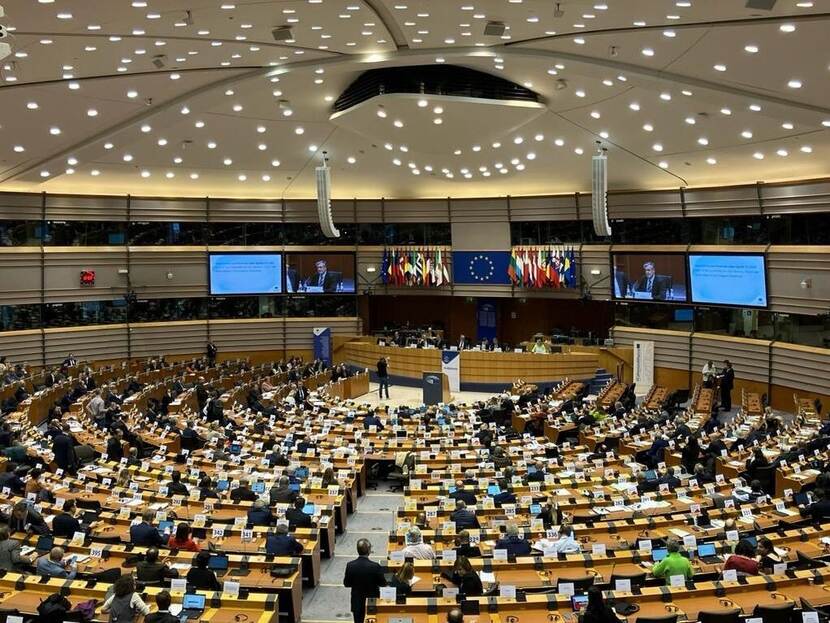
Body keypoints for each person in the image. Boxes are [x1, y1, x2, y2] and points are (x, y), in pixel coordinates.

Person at [343, 538, 386, 623]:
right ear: (369, 550)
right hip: (372, 602)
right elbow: (383, 583)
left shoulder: (350, 565)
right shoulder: (375, 566)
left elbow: (346, 584)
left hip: (357, 602)